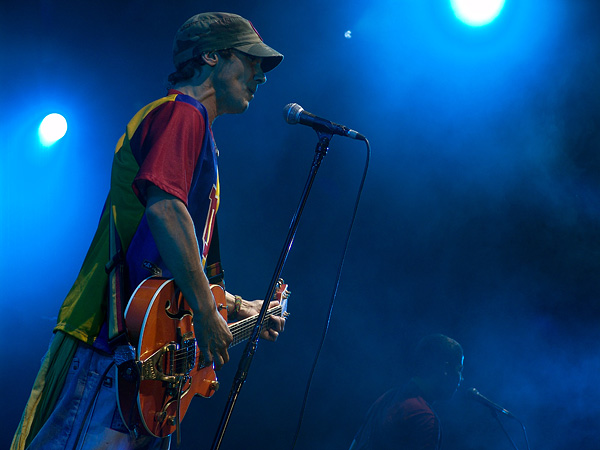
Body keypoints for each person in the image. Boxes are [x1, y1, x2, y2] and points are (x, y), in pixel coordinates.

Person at [11, 12, 285, 450]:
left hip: (143, 355)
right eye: (251, 61)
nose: (260, 77)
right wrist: (205, 309)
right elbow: (166, 212)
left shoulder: (195, 129)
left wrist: (232, 305)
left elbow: (166, 255)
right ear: (211, 55)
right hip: (116, 346)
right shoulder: (183, 115)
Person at [349, 334, 464, 450]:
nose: (461, 378)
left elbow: (355, 445)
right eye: (459, 369)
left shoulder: (386, 398)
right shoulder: (424, 417)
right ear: (445, 369)